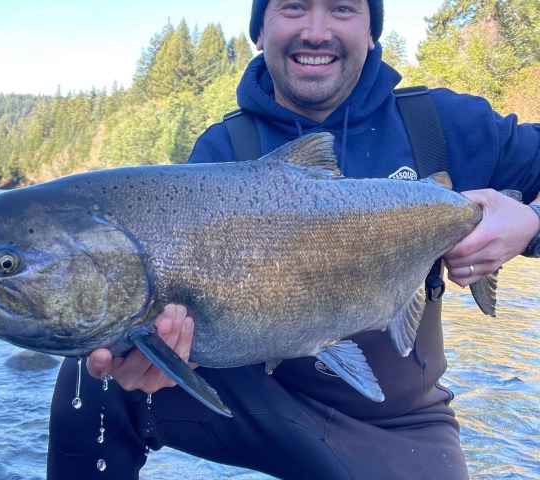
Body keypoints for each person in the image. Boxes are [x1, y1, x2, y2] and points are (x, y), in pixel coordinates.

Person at [47, 0, 540, 478]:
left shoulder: (445, 125)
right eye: (293, 7)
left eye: (343, 8)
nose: (317, 30)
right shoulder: (221, 153)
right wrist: (165, 355)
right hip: (256, 396)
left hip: (397, 421)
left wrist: (529, 221)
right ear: (259, 31)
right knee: (92, 371)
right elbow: (179, 319)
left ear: (372, 32)